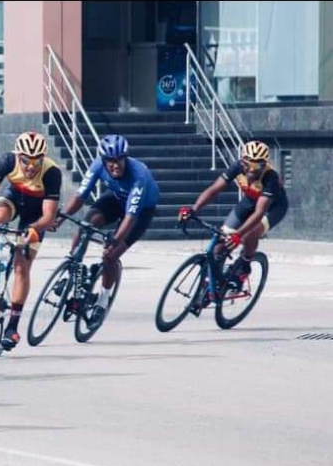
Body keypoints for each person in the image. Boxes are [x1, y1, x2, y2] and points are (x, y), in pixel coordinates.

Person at [0, 131, 61, 351]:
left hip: (37, 215)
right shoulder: (8, 160)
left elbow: (49, 216)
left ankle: (12, 327)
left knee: (21, 266)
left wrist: (33, 229)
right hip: (14, 198)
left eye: (36, 161)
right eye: (25, 160)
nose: (30, 167)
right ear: (18, 156)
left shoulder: (51, 172)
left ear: (43, 158)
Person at [59, 134, 159, 329]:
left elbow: (130, 217)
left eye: (120, 159)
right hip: (116, 198)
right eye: (111, 161)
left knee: (110, 255)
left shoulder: (138, 175)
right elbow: (80, 196)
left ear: (125, 158)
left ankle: (102, 302)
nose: (116, 165)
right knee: (86, 224)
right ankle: (70, 269)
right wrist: (60, 218)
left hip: (140, 211)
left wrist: (115, 240)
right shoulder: (97, 165)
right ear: (104, 160)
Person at [178, 140, 288, 283]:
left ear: (265, 164)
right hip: (249, 201)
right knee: (220, 243)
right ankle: (214, 282)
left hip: (273, 207)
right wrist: (193, 210)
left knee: (250, 234)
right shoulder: (237, 167)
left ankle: (244, 265)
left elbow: (259, 212)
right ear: (242, 161)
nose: (252, 170)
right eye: (249, 164)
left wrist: (238, 235)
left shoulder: (270, 177)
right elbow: (213, 190)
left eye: (258, 166)